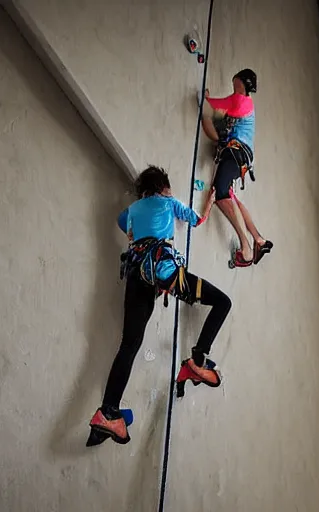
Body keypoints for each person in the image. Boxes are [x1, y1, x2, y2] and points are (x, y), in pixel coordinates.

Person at [88, 166, 232, 445]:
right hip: (163, 271)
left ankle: (108, 412)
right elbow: (198, 220)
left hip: (136, 274)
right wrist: (211, 199)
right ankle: (197, 361)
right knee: (223, 303)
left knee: (129, 345)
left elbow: (121, 222)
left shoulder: (132, 210)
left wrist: (135, 229)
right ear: (163, 188)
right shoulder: (168, 202)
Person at [201, 68, 273, 267]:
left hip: (236, 151)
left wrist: (206, 100)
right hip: (241, 154)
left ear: (241, 83)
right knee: (230, 196)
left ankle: (247, 249)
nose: (233, 88)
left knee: (221, 193)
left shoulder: (241, 101)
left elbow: (215, 107)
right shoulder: (245, 103)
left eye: (235, 84)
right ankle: (258, 239)